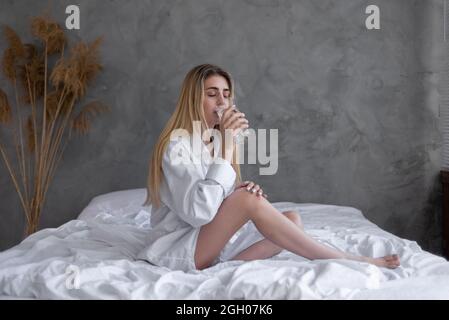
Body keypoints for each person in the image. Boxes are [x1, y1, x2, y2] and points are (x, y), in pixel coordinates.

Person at [138, 63, 400, 272]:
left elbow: (216, 201)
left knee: (292, 220)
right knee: (247, 201)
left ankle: (228, 266)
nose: (221, 101)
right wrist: (230, 152)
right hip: (182, 250)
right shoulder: (177, 145)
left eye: (226, 95)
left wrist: (239, 193)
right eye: (211, 93)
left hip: (207, 243)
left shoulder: (214, 141)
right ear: (193, 99)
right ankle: (344, 258)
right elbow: (199, 214)